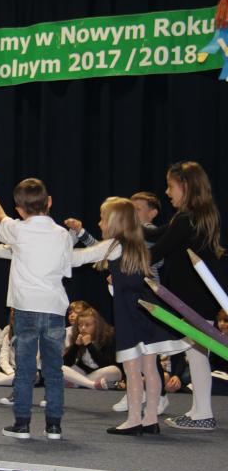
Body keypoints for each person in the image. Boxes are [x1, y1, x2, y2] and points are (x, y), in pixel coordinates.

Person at [70, 197, 188, 435]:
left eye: (103, 219)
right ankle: (150, 419)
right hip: (147, 311)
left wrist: (59, 244)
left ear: (115, 221)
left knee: (132, 369)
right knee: (150, 367)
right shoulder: (137, 246)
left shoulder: (114, 245)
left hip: (131, 314)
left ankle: (134, 419)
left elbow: (78, 258)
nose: (99, 223)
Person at [0, 177, 72, 440]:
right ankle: (54, 426)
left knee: (25, 369)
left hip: (26, 309)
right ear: (49, 202)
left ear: (19, 209)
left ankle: (22, 425)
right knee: (53, 369)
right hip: (54, 309)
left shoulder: (19, 230)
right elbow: (66, 269)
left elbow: (0, 217)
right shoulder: (63, 234)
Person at [145, 161, 225, 431]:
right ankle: (198, 410)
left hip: (194, 298)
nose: (168, 192)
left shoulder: (186, 219)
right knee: (196, 352)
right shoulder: (197, 216)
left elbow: (159, 248)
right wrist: (132, 224)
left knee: (197, 352)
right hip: (200, 296)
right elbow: (158, 233)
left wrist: (127, 265)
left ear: (186, 186)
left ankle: (203, 413)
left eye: (171, 186)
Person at [61, 307, 122, 391]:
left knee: (114, 370)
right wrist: (76, 346)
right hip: (85, 372)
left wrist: (89, 345)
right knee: (61, 367)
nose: (83, 328)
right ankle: (91, 384)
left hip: (102, 372)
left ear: (97, 325)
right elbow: (67, 363)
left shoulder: (109, 337)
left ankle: (76, 383)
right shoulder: (77, 336)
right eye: (80, 325)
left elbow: (105, 364)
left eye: (87, 325)